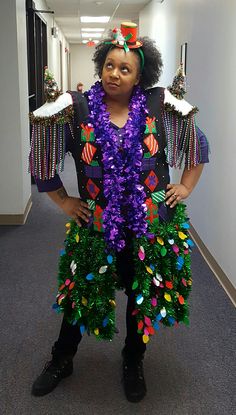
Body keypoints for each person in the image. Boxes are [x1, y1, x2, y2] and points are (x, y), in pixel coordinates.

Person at [29, 22, 209, 402]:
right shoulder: (77, 110)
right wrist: (64, 201)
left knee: (139, 300)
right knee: (80, 295)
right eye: (109, 65)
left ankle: (133, 360)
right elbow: (41, 161)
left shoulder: (159, 107)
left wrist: (186, 186)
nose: (114, 73)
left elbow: (198, 148)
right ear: (100, 65)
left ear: (139, 75)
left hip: (148, 231)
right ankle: (62, 359)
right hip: (95, 228)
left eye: (124, 68)